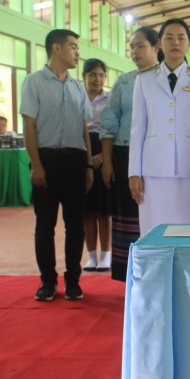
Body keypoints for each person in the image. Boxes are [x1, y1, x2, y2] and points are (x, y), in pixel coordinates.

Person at [20, 29, 93, 301]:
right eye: (73, 46)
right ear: (56, 48)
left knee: (75, 225)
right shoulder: (34, 82)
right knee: (45, 226)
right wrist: (36, 165)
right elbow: (29, 126)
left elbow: (84, 129)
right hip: (46, 160)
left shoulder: (77, 87)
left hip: (75, 161)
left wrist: (88, 166)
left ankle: (73, 280)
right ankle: (48, 282)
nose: (77, 52)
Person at [128, 18, 190, 234]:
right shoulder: (145, 79)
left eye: (181, 38)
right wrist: (134, 173)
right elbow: (138, 128)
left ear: (188, 44)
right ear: (159, 44)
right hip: (152, 171)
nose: (175, 42)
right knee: (154, 231)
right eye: (169, 37)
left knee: (189, 232)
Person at [101, 27, 159, 282]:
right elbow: (109, 121)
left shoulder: (166, 80)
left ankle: (155, 272)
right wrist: (107, 160)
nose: (134, 51)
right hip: (125, 153)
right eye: (132, 47)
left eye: (140, 46)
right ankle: (129, 277)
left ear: (156, 47)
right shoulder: (124, 82)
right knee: (127, 213)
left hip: (157, 156)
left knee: (154, 211)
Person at [81, 59, 112, 272]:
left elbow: (112, 129)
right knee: (87, 211)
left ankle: (106, 256)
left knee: (104, 211)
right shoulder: (78, 98)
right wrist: (86, 158)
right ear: (84, 76)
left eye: (101, 75)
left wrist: (103, 154)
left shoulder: (110, 99)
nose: (97, 79)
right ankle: (91, 256)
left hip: (104, 151)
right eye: (92, 74)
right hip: (82, 151)